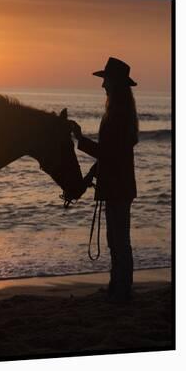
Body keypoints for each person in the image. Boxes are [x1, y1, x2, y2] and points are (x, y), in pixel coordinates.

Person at [69, 57, 139, 302]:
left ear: (115, 83)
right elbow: (112, 153)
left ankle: (121, 289)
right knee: (117, 239)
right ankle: (118, 286)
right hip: (119, 185)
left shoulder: (117, 115)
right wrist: (91, 174)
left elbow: (108, 153)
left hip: (117, 186)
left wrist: (80, 138)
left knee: (119, 240)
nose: (103, 86)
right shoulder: (121, 112)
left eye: (106, 80)